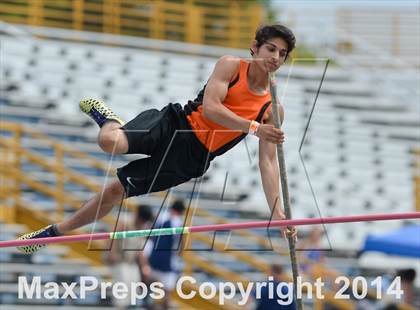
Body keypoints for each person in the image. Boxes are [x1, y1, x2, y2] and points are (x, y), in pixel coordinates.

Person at [17, 24, 297, 253]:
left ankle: (53, 233)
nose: (275, 56)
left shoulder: (273, 109)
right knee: (109, 143)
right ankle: (110, 121)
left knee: (116, 191)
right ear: (255, 47)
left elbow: (268, 163)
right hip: (176, 124)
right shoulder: (230, 66)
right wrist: (254, 128)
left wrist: (278, 212)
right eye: (270, 48)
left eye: (282, 54)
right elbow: (212, 109)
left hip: (191, 159)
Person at [105, 204, 153, 310]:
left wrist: (145, 266)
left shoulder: (143, 228)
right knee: (123, 285)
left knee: (135, 286)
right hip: (119, 260)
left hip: (131, 262)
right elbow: (112, 237)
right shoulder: (124, 221)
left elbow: (140, 250)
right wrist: (111, 253)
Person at [140, 200, 186, 309]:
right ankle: (157, 303)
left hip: (154, 254)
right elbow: (182, 242)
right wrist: (180, 255)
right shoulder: (178, 222)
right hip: (167, 258)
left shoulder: (161, 216)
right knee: (166, 291)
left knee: (149, 283)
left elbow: (149, 232)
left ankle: (147, 302)